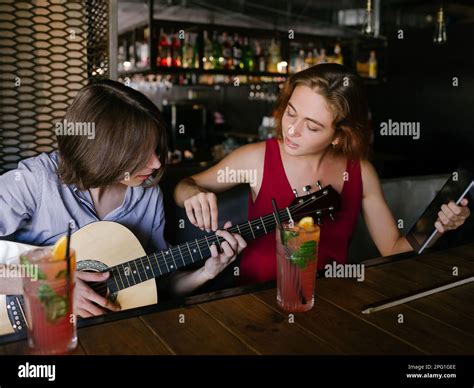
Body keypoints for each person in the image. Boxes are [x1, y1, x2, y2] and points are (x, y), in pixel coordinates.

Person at [174, 64, 470, 285]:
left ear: (339, 136)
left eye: (312, 126)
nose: (292, 130)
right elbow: (186, 184)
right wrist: (193, 193)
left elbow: (392, 250)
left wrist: (436, 225)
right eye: (290, 113)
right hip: (255, 296)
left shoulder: (360, 172)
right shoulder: (257, 158)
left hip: (332, 299)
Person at [0, 80, 246, 317]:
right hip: (30, 333)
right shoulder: (35, 181)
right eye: (141, 153)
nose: (156, 163)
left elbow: (159, 283)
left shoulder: (147, 194)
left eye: (156, 149)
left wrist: (206, 272)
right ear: (105, 151)